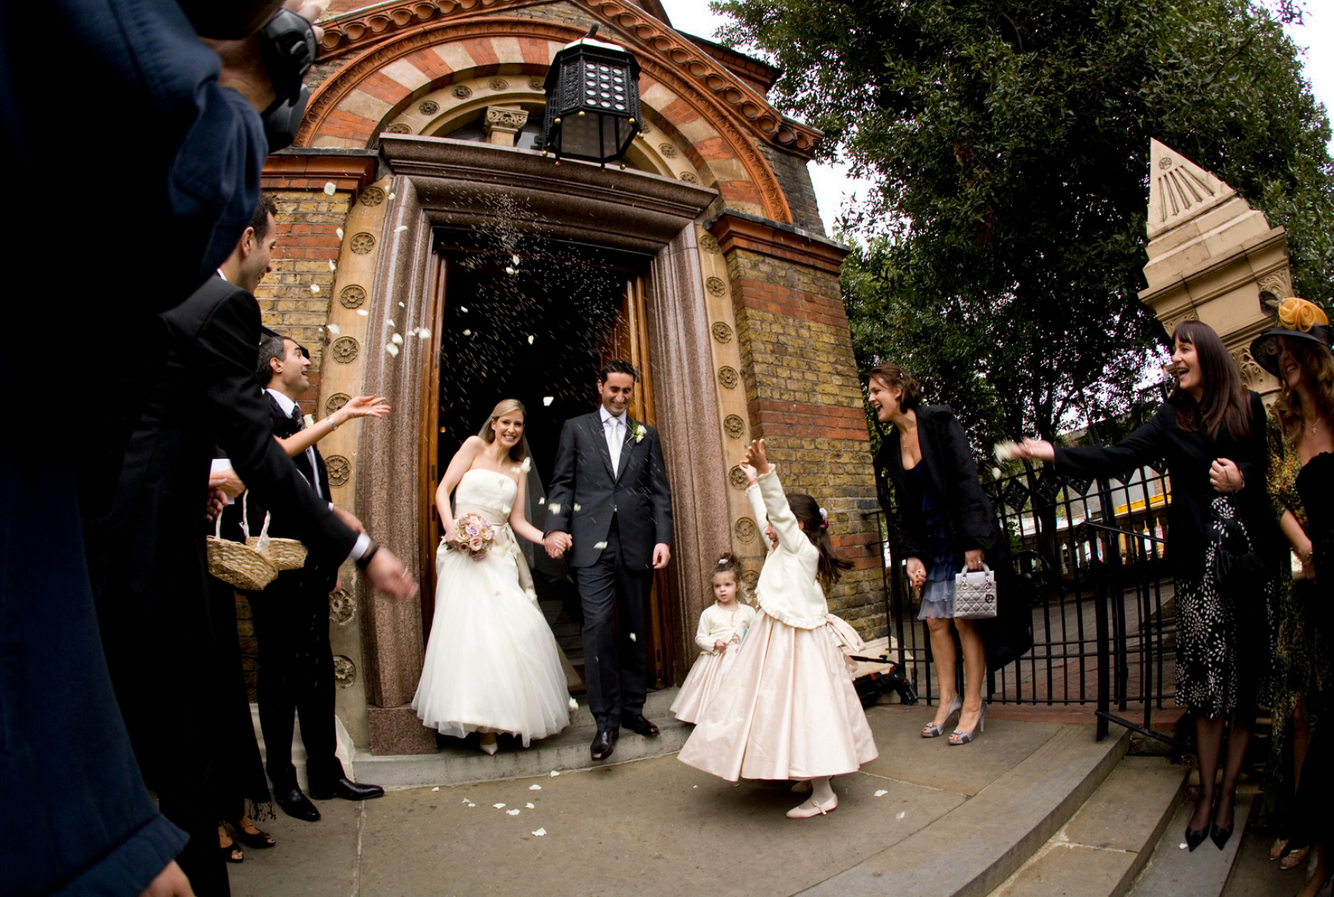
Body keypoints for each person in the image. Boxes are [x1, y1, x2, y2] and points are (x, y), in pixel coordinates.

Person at [0, 4, 317, 894]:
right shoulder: (211, 300)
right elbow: (174, 198)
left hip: (114, 539)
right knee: (176, 701)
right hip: (116, 552)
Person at [88, 196, 417, 896]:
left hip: (121, 530)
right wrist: (360, 549)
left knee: (156, 729)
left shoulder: (161, 299)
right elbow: (259, 455)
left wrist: (195, 481)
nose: (271, 263)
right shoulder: (223, 308)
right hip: (152, 544)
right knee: (186, 739)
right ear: (245, 239)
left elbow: (145, 428)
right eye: (270, 247)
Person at [1011, 320, 1277, 853]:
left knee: (1245, 688)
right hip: (1200, 572)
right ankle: (1205, 794)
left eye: (1183, 348)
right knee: (1206, 690)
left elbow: (1268, 472)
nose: (1174, 358)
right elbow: (1118, 456)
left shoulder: (1248, 406)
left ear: (1207, 353)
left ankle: (1228, 795)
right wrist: (1053, 453)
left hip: (1251, 571)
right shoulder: (1170, 418)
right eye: (1172, 350)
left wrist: (1241, 478)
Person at [678, 439, 876, 818]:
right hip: (783, 641)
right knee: (789, 709)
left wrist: (767, 472)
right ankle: (812, 775)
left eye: (776, 523)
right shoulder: (782, 549)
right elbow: (767, 517)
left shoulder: (801, 550)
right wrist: (753, 484)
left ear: (796, 527)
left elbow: (779, 515)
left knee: (807, 709)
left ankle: (823, 793)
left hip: (799, 645)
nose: (768, 527)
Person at [245, 333, 389, 820]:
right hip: (273, 562)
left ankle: (326, 773)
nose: (306, 361)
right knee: (278, 672)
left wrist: (332, 542)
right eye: (297, 354)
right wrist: (339, 416)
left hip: (309, 561)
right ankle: (283, 781)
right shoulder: (254, 407)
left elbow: (309, 492)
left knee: (316, 667)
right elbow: (271, 461)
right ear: (273, 363)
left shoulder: (298, 418)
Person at [413, 399, 572, 752]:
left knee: (517, 628)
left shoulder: (519, 468)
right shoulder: (473, 446)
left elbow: (518, 521)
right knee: (469, 634)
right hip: (460, 554)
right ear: (494, 423)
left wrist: (547, 538)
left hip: (499, 554)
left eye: (518, 425)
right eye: (506, 423)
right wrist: (452, 529)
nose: (512, 430)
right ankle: (481, 725)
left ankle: (508, 717)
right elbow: (442, 490)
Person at [868, 363, 1010, 745]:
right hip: (932, 542)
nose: (872, 399)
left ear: (897, 391)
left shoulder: (938, 421)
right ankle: (949, 700)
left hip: (960, 534)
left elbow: (965, 479)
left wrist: (973, 540)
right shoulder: (891, 448)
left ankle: (974, 703)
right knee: (935, 622)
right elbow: (905, 511)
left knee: (965, 620)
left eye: (876, 391)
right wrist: (912, 556)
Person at [543, 360, 674, 761]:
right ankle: (605, 721)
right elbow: (562, 482)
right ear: (599, 386)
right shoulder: (576, 428)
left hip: (637, 542)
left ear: (633, 392)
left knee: (635, 626)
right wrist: (553, 528)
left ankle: (633, 710)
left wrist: (663, 539)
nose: (620, 397)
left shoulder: (646, 435)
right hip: (589, 543)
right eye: (613, 389)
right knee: (598, 627)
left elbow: (659, 492)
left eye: (626, 391)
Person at [1250, 297, 1334, 896]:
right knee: (1306, 713)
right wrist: (1307, 550)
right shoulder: (1281, 425)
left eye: (1291, 348)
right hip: (1309, 583)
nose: (1283, 359)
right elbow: (1273, 497)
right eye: (1277, 352)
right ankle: (1313, 840)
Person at [670, 554, 757, 724]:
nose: (722, 590)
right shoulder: (709, 614)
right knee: (717, 688)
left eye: (727, 585)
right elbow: (700, 637)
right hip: (717, 659)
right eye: (718, 586)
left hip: (742, 657)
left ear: (737, 586)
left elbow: (754, 633)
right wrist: (714, 644)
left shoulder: (748, 611)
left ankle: (740, 718)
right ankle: (715, 718)